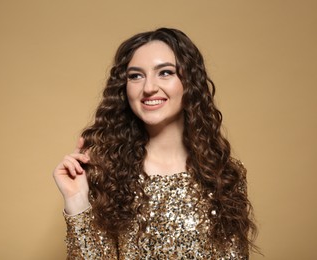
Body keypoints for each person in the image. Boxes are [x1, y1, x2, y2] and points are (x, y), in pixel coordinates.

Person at [53, 28, 257, 259]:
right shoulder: (105, 174)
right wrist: (77, 200)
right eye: (135, 76)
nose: (149, 88)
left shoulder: (225, 174)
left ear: (190, 81)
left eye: (165, 72)